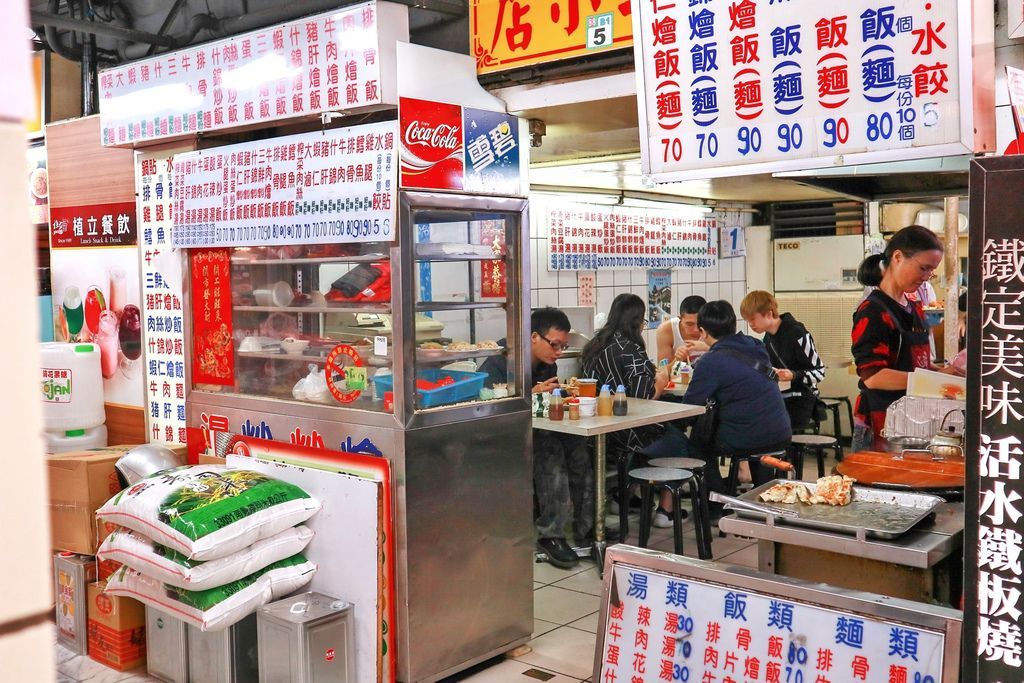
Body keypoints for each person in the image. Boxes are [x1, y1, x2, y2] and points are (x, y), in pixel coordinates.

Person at [480, 307, 593, 569]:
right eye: (554, 345)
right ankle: (550, 534)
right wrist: (531, 393)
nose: (558, 353)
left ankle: (586, 529)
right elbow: (487, 405)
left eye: (563, 347)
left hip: (536, 428)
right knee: (549, 450)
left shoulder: (547, 363)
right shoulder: (500, 360)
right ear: (533, 336)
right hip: (501, 435)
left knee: (578, 447)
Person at [851, 225, 962, 451]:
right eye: (923, 268)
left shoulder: (914, 308)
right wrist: (933, 381)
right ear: (898, 257)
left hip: (913, 420)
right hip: (881, 422)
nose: (926, 277)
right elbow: (874, 376)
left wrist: (943, 374)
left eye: (931, 271)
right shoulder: (873, 311)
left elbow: (917, 363)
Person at [581, 293, 685, 527]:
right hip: (627, 429)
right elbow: (644, 396)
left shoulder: (594, 345)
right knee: (678, 441)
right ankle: (665, 511)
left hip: (600, 427)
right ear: (637, 320)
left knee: (655, 438)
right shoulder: (630, 349)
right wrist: (662, 377)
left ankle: (624, 495)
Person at [681, 300, 793, 501]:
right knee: (752, 429)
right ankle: (761, 498)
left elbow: (690, 408)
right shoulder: (756, 345)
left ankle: (717, 502)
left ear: (702, 332)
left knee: (697, 443)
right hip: (781, 430)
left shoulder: (710, 361)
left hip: (750, 437)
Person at [740, 290, 826, 430]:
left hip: (801, 399)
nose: (750, 324)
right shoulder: (768, 338)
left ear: (768, 313)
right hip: (781, 397)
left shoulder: (797, 333)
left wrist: (793, 375)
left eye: (752, 319)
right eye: (747, 321)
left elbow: (820, 372)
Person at [656, 295, 709, 365]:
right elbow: (663, 371)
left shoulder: (715, 327)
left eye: (700, 323)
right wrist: (678, 359)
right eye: (690, 324)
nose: (696, 330)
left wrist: (708, 348)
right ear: (680, 319)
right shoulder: (666, 330)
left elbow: (726, 359)